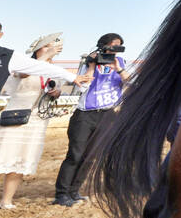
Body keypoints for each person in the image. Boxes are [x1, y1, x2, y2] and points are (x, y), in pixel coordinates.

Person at [0, 32, 77, 209]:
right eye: (46, 45)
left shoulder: (53, 70)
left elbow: (55, 88)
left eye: (52, 46)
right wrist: (45, 57)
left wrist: (55, 92)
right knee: (2, 155)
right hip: (16, 115)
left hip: (37, 119)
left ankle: (6, 200)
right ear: (37, 49)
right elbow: (23, 74)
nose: (50, 48)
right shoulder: (22, 62)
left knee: (20, 160)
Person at [54, 33, 129, 206]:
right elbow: (82, 86)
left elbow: (132, 84)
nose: (115, 50)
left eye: (119, 46)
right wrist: (91, 66)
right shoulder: (89, 62)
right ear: (103, 46)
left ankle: (74, 191)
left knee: (91, 156)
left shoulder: (121, 63)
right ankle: (62, 193)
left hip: (108, 115)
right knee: (75, 154)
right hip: (85, 115)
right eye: (113, 46)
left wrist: (119, 69)